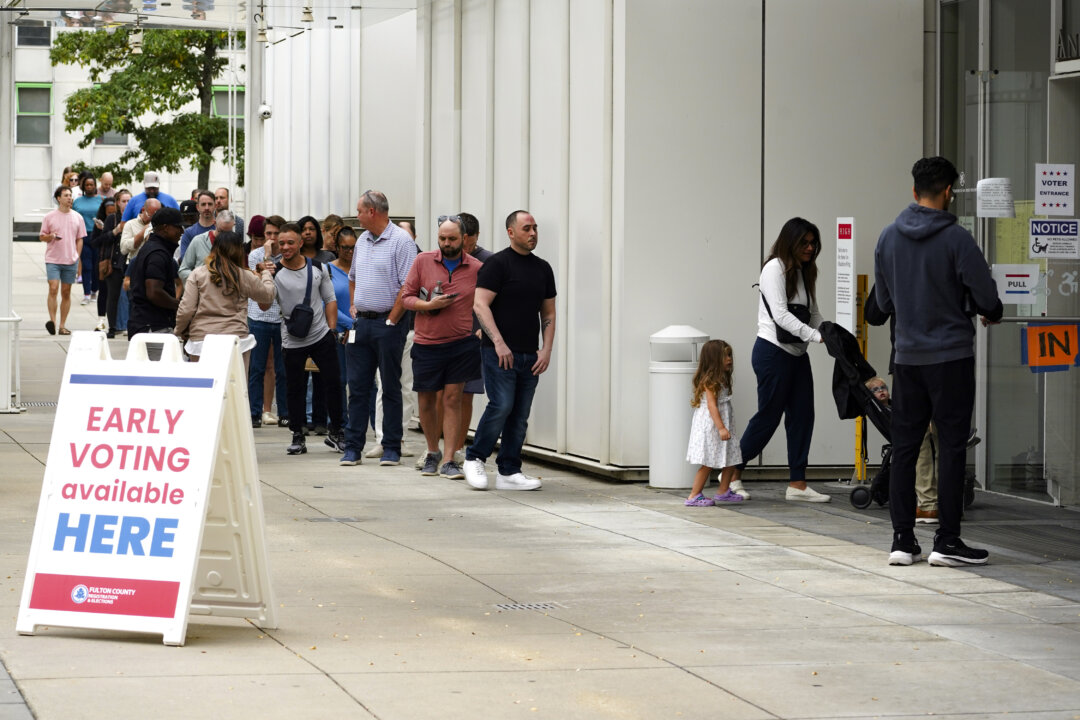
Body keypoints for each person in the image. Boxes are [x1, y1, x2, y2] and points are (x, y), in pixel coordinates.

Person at [874, 156, 1002, 567]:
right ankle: (946, 541)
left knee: (906, 449)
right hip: (950, 358)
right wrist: (980, 307)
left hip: (907, 359)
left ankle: (901, 540)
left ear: (914, 191)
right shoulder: (958, 240)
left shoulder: (888, 238)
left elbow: (883, 302)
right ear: (948, 192)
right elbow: (988, 300)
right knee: (950, 447)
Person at [729, 217, 830, 503]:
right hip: (773, 353)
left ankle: (797, 484)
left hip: (798, 355)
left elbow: (814, 312)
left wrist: (829, 333)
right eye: (805, 243)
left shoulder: (805, 272)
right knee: (769, 417)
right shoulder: (774, 269)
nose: (810, 248)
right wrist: (815, 336)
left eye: (813, 243)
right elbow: (781, 316)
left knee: (802, 417)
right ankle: (732, 472)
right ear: (791, 242)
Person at [463, 210, 556, 491]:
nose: (533, 233)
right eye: (527, 228)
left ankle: (509, 471)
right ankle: (474, 457)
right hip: (498, 352)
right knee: (501, 404)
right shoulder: (497, 265)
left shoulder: (543, 268)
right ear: (511, 232)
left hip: (530, 355)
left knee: (520, 413)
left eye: (535, 228)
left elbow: (548, 313)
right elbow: (480, 305)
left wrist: (546, 350)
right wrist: (500, 343)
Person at [401, 215, 484, 479]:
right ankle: (432, 451)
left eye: (452, 239)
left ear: (465, 239)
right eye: (442, 238)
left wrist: (483, 327)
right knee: (425, 400)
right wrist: (428, 306)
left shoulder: (477, 268)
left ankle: (449, 458)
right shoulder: (422, 260)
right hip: (427, 343)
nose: (447, 243)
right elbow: (406, 298)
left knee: (453, 399)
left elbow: (489, 301)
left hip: (461, 343)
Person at [339, 191, 416, 467]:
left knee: (390, 386)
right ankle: (353, 448)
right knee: (357, 387)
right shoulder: (362, 240)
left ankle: (391, 447)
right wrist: (354, 307)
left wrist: (392, 320)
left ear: (372, 211)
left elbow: (407, 286)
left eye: (359, 211)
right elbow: (353, 278)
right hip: (362, 324)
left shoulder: (401, 241)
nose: (357, 215)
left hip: (388, 324)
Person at [272, 223, 345, 456]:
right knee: (295, 389)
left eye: (290, 242)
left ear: (301, 243)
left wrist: (332, 330)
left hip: (321, 334)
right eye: (281, 243)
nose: (285, 247)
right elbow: (264, 304)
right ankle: (297, 434)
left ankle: (336, 432)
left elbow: (330, 299)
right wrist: (263, 277)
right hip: (292, 339)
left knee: (334, 383)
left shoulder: (318, 268)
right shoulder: (273, 271)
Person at [174, 230, 275, 365]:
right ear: (239, 251)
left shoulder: (197, 274)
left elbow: (186, 308)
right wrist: (266, 273)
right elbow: (268, 296)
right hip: (235, 339)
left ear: (214, 249)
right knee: (235, 384)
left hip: (201, 339)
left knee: (204, 384)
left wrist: (178, 331)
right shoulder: (243, 275)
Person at [455, 211, 495, 462]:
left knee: (464, 394)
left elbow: (495, 300)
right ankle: (439, 448)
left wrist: (483, 326)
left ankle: (458, 448)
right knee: (441, 393)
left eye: (465, 239)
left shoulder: (488, 261)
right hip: (447, 334)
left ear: (475, 237)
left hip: (472, 335)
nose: (460, 245)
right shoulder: (446, 257)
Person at [685, 340, 744, 506]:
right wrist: (721, 428)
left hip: (723, 424)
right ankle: (693, 495)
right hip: (712, 426)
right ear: (713, 359)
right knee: (708, 462)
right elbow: (712, 406)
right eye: (724, 356)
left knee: (732, 457)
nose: (729, 359)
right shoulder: (710, 381)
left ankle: (723, 490)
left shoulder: (723, 378)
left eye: (730, 355)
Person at [247, 215, 289, 428]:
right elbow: (257, 283)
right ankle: (254, 413)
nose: (272, 238)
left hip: (282, 318)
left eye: (276, 234)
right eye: (268, 234)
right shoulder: (255, 255)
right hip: (259, 316)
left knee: (282, 369)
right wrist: (267, 255)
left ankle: (284, 413)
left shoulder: (288, 256)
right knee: (257, 367)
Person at [127, 207, 184, 360]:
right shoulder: (157, 254)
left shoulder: (153, 248)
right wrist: (177, 305)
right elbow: (154, 292)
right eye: (178, 227)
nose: (182, 231)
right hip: (152, 328)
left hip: (145, 325)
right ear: (165, 228)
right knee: (161, 377)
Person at [39, 185, 86, 336]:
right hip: (53, 259)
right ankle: (52, 322)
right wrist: (50, 236)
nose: (69, 198)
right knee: (53, 288)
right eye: (66, 195)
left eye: (70, 195)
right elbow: (42, 237)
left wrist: (76, 256)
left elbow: (80, 239)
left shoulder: (78, 217)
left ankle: (62, 325)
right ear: (58, 198)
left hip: (70, 260)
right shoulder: (49, 217)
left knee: (66, 292)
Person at [92, 189, 131, 337]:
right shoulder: (112, 219)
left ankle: (130, 325)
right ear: (117, 203)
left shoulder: (136, 219)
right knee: (112, 295)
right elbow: (101, 240)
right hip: (113, 261)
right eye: (123, 201)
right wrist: (115, 231)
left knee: (131, 295)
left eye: (129, 201)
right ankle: (113, 327)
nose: (126, 204)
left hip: (128, 261)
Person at [328, 227, 356, 429]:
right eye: (345, 248)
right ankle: (338, 425)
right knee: (339, 380)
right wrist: (348, 324)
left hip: (358, 331)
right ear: (337, 247)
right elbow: (324, 302)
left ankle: (360, 425)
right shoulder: (327, 269)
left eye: (353, 248)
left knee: (362, 382)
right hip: (337, 331)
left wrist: (356, 326)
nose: (350, 252)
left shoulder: (362, 268)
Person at [72, 174, 103, 305]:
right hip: (83, 236)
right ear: (83, 187)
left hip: (97, 236)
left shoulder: (101, 200)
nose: (89, 187)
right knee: (86, 266)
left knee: (96, 266)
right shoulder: (78, 201)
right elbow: (72, 218)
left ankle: (94, 291)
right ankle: (86, 294)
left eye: (91, 184)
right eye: (87, 185)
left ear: (95, 186)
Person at [179, 210, 235, 281]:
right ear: (214, 223)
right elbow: (183, 270)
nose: (224, 236)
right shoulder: (198, 241)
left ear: (234, 225)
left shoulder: (235, 244)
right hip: (202, 289)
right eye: (221, 231)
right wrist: (202, 279)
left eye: (228, 233)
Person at [179, 190, 217, 260]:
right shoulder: (188, 233)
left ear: (215, 206)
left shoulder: (221, 230)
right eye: (203, 204)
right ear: (197, 207)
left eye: (210, 204)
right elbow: (185, 260)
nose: (207, 208)